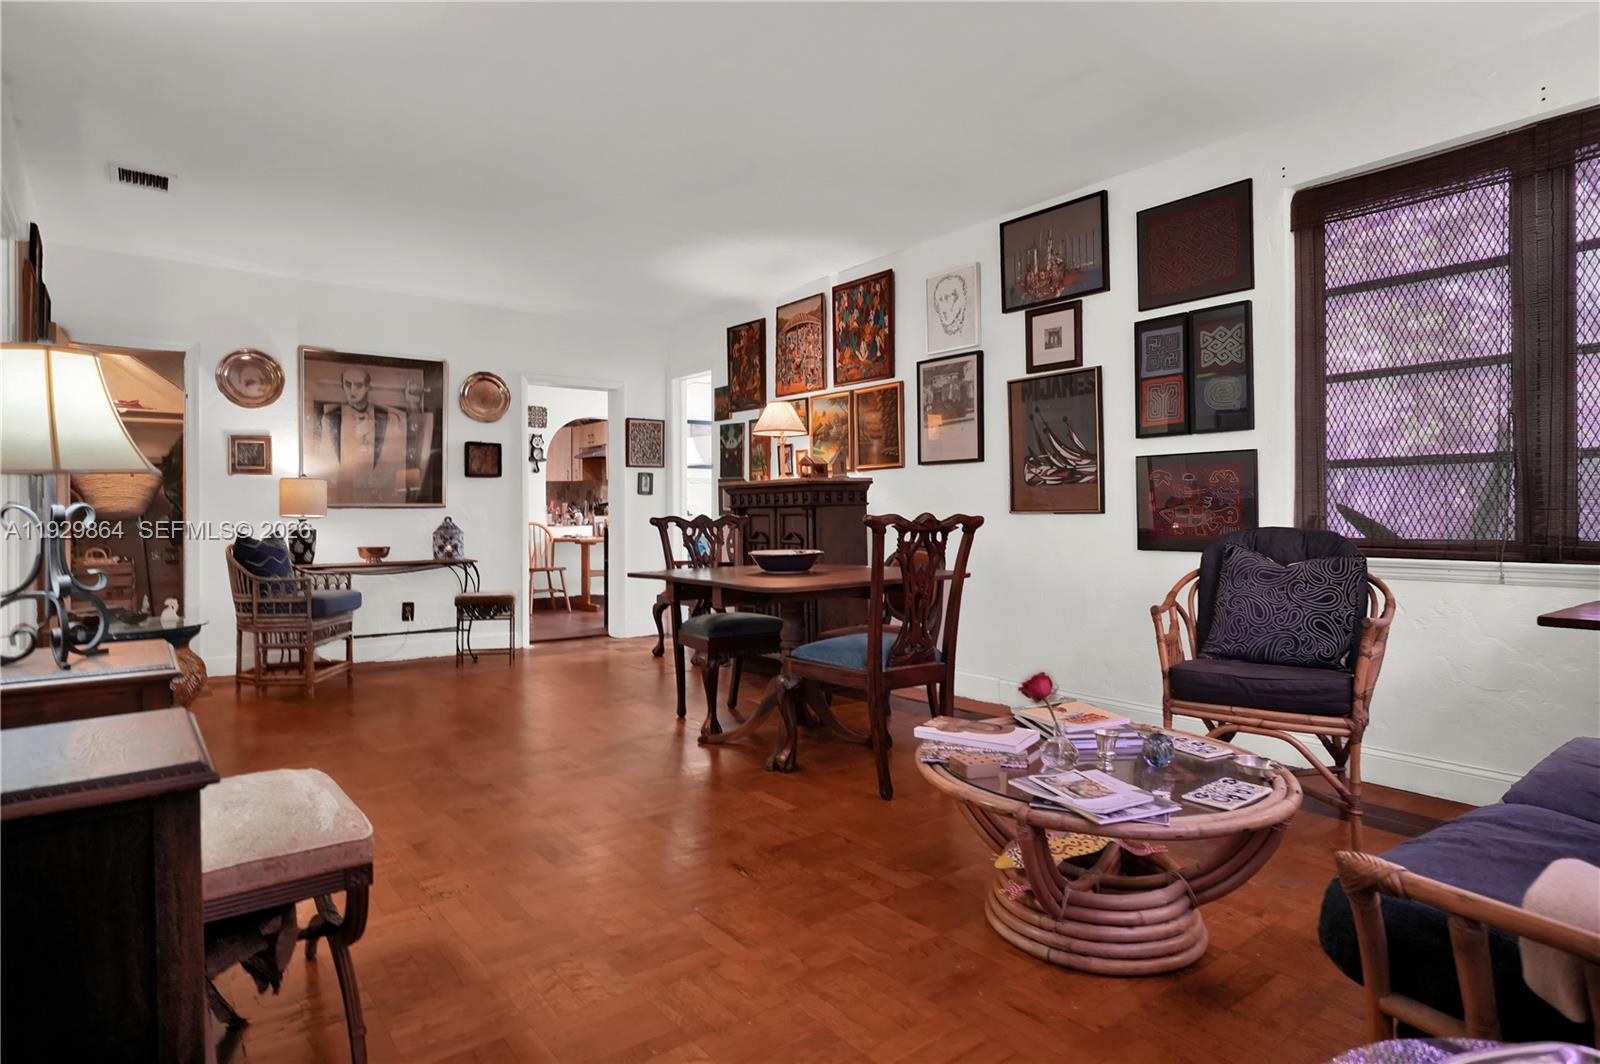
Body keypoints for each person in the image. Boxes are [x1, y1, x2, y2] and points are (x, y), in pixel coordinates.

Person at [312, 366, 408, 503]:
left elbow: (395, 461)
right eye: (348, 384)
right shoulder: (330, 419)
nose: (352, 391)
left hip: (377, 493)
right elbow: (326, 461)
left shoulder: (388, 418)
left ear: (368, 387)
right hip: (345, 493)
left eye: (358, 385)